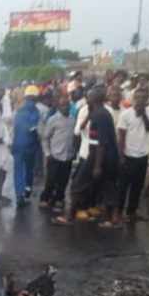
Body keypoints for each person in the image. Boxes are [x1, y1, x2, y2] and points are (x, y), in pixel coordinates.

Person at [53, 86, 119, 227]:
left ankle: (70, 216)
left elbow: (102, 142)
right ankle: (113, 220)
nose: (86, 99)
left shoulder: (100, 115)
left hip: (98, 155)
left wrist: (96, 166)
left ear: (94, 98)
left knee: (78, 184)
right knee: (108, 187)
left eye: (88, 96)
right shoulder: (102, 113)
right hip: (107, 156)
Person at [116, 88, 149, 224]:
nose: (140, 99)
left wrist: (143, 115)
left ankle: (131, 212)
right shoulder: (125, 114)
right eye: (137, 97)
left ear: (147, 99)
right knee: (123, 186)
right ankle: (119, 212)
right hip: (128, 155)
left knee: (137, 186)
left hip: (143, 154)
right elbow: (121, 138)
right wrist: (121, 157)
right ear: (133, 98)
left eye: (143, 97)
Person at [39, 95, 76, 209]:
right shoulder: (52, 120)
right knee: (51, 179)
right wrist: (47, 153)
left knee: (64, 180)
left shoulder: (73, 119)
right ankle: (45, 198)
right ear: (58, 106)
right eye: (62, 105)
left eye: (67, 105)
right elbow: (45, 138)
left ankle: (59, 198)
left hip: (68, 155)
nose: (65, 107)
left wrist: (74, 151)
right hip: (55, 156)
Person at [12, 85, 42, 207]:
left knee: (18, 169)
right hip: (30, 145)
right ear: (36, 98)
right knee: (29, 169)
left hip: (17, 144)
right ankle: (28, 189)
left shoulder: (18, 111)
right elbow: (34, 130)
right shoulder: (35, 111)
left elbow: (15, 128)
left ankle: (19, 195)